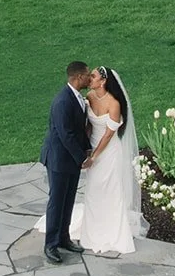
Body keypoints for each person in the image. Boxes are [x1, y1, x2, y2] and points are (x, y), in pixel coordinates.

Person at [68, 65, 143, 256]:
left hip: (108, 153)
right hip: (93, 147)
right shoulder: (90, 98)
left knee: (110, 189)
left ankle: (112, 231)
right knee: (93, 190)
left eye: (92, 76)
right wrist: (86, 149)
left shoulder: (114, 104)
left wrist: (94, 156)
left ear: (103, 81)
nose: (88, 79)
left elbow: (109, 135)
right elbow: (89, 127)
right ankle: (91, 230)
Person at [39, 61, 91, 264]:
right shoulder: (62, 101)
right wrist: (83, 158)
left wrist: (86, 148)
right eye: (87, 75)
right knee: (57, 201)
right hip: (59, 159)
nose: (89, 78)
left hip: (70, 159)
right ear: (78, 77)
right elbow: (66, 135)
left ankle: (64, 238)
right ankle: (50, 244)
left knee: (68, 200)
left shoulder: (77, 98)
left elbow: (78, 129)